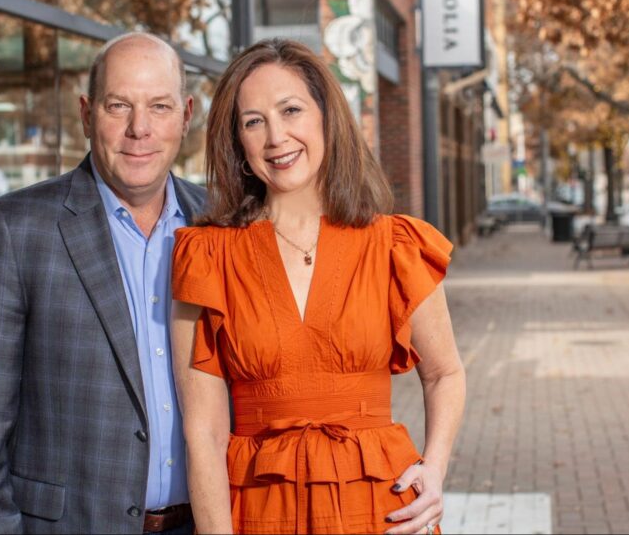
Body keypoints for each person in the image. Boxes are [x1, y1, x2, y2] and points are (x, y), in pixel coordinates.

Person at [170, 38, 466, 535]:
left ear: (326, 117)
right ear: (238, 142)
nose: (276, 137)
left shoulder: (394, 245)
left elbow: (444, 374)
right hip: (259, 513)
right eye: (253, 121)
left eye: (291, 110)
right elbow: (203, 431)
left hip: (382, 509)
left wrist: (434, 471)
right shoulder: (208, 257)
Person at [0, 32, 204, 534]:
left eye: (160, 107)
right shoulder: (14, 229)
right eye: (118, 105)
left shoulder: (220, 224)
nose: (139, 128)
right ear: (87, 114)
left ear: (186, 116)